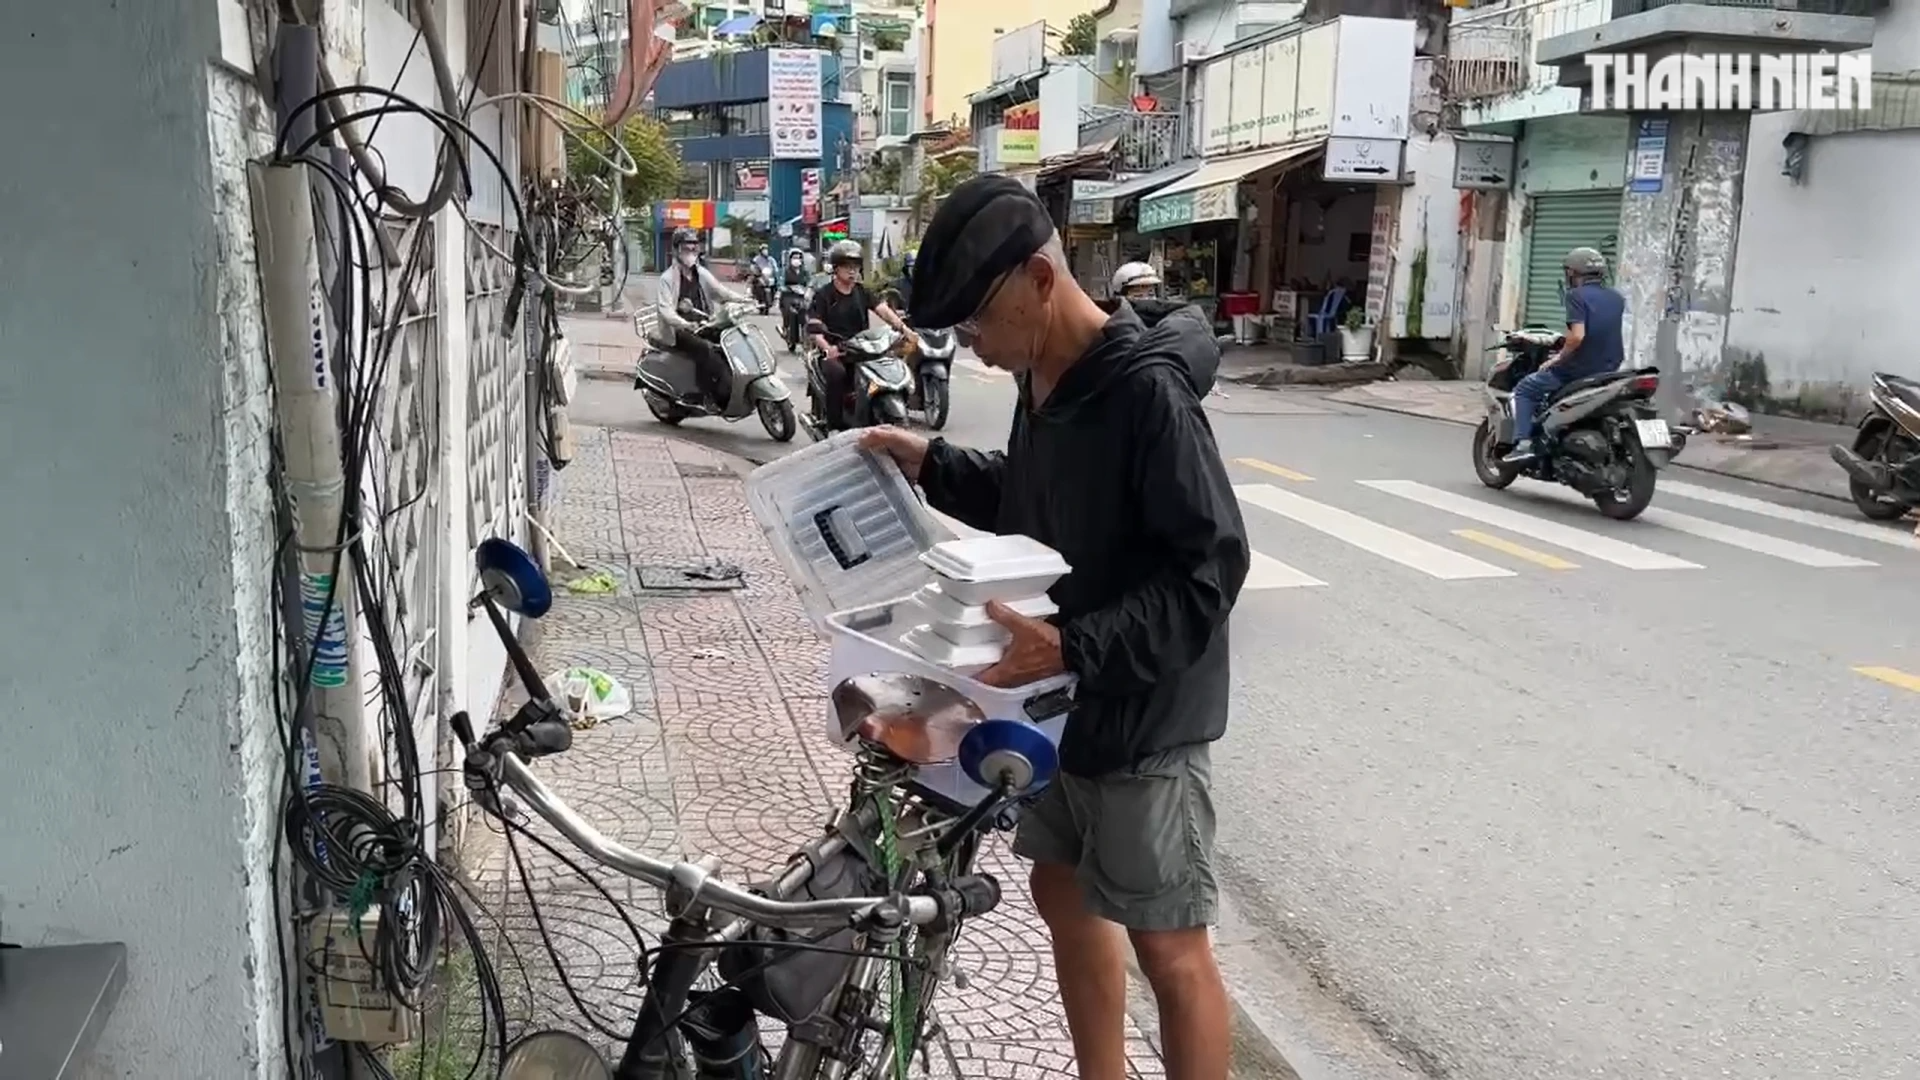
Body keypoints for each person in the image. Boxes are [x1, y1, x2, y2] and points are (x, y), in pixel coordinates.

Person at [861, 175, 1248, 1080]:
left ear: (1042, 278)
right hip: (1063, 706)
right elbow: (1034, 504)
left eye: (979, 325)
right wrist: (934, 464)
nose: (977, 351)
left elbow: (1211, 570)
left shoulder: (1146, 396)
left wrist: (1077, 647)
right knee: (1061, 890)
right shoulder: (1043, 377)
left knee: (1169, 946)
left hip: (1145, 716)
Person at [1503, 247, 1627, 464]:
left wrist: (1556, 359)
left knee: (1525, 389)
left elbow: (1577, 337)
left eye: (1568, 271)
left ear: (1573, 273)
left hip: (1578, 368)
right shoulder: (1616, 298)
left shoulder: (1575, 296)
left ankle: (1523, 443)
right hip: (1609, 367)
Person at [806, 239, 913, 430]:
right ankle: (834, 426)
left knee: (890, 366)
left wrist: (903, 328)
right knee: (837, 374)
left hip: (864, 348)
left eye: (855, 266)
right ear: (836, 268)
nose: (852, 271)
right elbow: (815, 327)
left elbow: (883, 310)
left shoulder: (862, 291)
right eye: (847, 266)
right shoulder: (824, 295)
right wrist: (827, 347)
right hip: (838, 350)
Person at [651, 227, 748, 406]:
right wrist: (684, 324)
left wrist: (744, 299)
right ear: (676, 250)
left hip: (703, 322)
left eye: (694, 247)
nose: (690, 251)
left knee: (729, 340)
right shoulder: (667, 278)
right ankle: (706, 395)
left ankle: (732, 384)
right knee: (705, 350)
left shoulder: (700, 272)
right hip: (678, 330)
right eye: (686, 248)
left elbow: (720, 291)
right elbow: (666, 311)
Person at [890, 251, 917, 316]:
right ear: (906, 269)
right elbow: (892, 309)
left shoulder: (927, 283)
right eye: (911, 268)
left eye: (915, 267)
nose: (913, 271)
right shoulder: (898, 285)